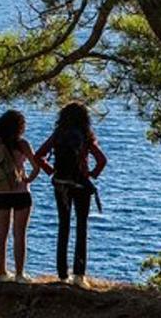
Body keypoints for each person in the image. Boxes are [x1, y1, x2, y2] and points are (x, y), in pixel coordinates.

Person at [35, 101, 107, 288]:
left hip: (61, 184)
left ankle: (62, 275)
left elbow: (38, 155)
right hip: (80, 185)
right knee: (81, 227)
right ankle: (79, 276)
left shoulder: (58, 134)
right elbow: (101, 160)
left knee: (63, 226)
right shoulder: (85, 136)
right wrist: (90, 174)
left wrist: (51, 171)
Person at [0, 109, 39, 283]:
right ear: (19, 127)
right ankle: (20, 275)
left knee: (1, 233)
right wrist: (28, 178)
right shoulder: (22, 144)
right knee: (19, 235)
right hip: (21, 193)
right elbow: (36, 166)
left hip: (1, 193)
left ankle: (1, 273)